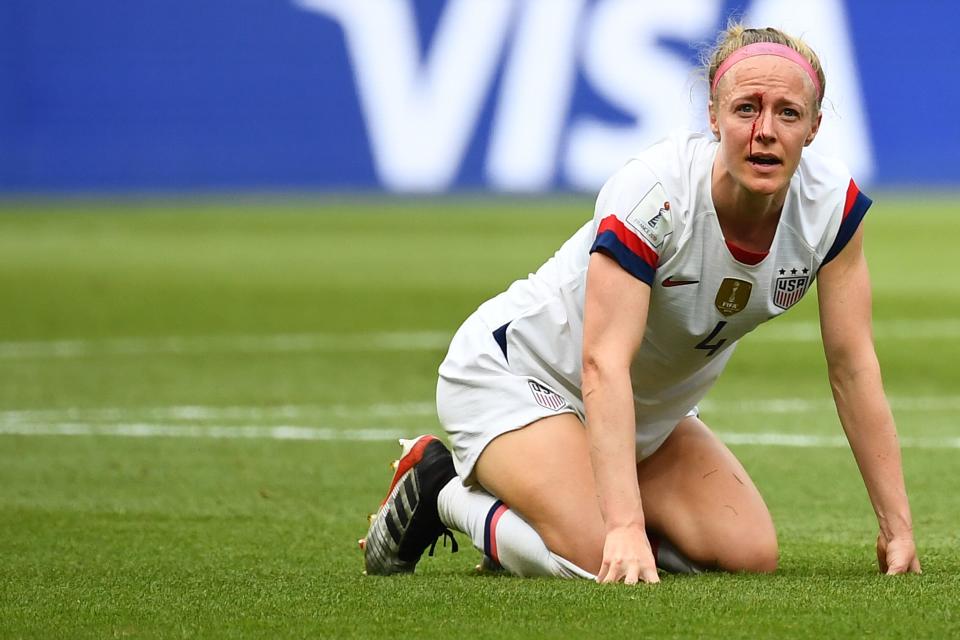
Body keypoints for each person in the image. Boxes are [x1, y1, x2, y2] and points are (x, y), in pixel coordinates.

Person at [360, 24, 921, 583]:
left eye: (788, 113)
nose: (765, 131)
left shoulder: (832, 208)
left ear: (815, 126)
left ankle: (546, 506)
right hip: (519, 379)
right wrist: (624, 527)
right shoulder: (656, 195)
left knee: (749, 555)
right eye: (747, 109)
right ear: (713, 117)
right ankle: (441, 489)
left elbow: (853, 367)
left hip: (645, 417)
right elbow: (602, 361)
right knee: (594, 554)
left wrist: (896, 528)